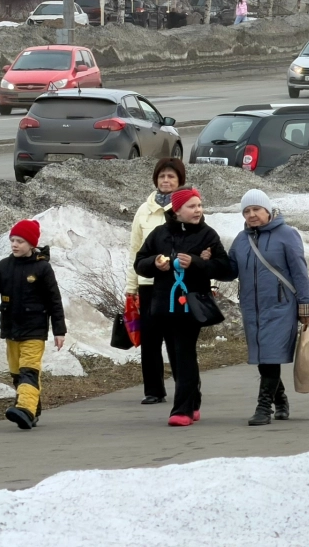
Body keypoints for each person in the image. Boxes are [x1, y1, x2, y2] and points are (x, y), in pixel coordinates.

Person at [134, 188, 235, 427]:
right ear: (177, 210)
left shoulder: (207, 235)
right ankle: (193, 400)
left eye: (200, 206)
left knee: (184, 352)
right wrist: (155, 264)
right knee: (176, 354)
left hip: (192, 306)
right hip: (163, 305)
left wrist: (198, 263)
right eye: (192, 206)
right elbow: (140, 263)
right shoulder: (159, 234)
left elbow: (226, 269)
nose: (198, 210)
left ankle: (182, 410)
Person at [229, 189, 309, 426]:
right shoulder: (241, 239)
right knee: (263, 357)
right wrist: (207, 259)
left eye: (256, 209)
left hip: (281, 306)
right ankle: (281, 400)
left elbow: (299, 270)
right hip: (252, 308)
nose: (252, 215)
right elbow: (229, 270)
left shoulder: (287, 234)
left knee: (269, 356)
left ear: (267, 210)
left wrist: (306, 303)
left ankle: (263, 407)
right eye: (247, 211)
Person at [0, 219, 66, 430]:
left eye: (20, 241)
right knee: (16, 372)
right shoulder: (5, 265)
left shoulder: (42, 268)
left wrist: (59, 330)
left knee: (28, 371)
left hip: (35, 330)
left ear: (31, 244)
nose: (14, 244)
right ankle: (33, 409)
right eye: (13, 240)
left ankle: (24, 409)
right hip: (11, 329)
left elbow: (54, 302)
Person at [126, 157, 186, 405]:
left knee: (177, 338)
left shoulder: (187, 207)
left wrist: (210, 282)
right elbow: (134, 249)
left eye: (171, 176)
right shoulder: (144, 210)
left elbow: (202, 246)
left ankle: (185, 385)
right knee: (150, 340)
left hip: (178, 284)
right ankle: (153, 390)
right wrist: (131, 287)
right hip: (149, 284)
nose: (166, 180)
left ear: (179, 180)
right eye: (162, 176)